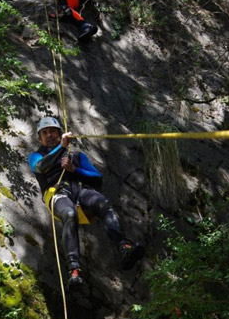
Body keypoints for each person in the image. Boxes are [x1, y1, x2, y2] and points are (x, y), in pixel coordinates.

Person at [28, 116, 145, 288]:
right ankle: (74, 270)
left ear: (60, 133)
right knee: (69, 214)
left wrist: (74, 169)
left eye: (52, 131)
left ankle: (123, 246)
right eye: (45, 133)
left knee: (102, 202)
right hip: (56, 193)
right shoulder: (36, 156)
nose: (49, 135)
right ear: (40, 138)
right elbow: (40, 167)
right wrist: (61, 147)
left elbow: (97, 179)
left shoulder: (76, 156)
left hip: (80, 190)